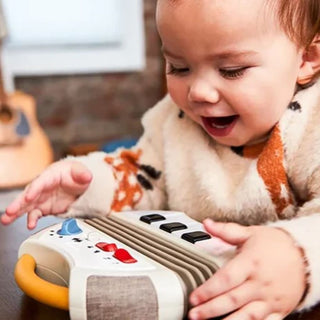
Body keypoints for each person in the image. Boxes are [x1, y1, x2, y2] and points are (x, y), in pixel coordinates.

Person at [2, 0, 320, 319]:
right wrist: (86, 183)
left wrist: (299, 259)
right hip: (188, 287)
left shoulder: (312, 127)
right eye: (179, 67)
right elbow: (141, 173)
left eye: (231, 70)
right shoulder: (177, 120)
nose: (199, 92)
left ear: (307, 58)